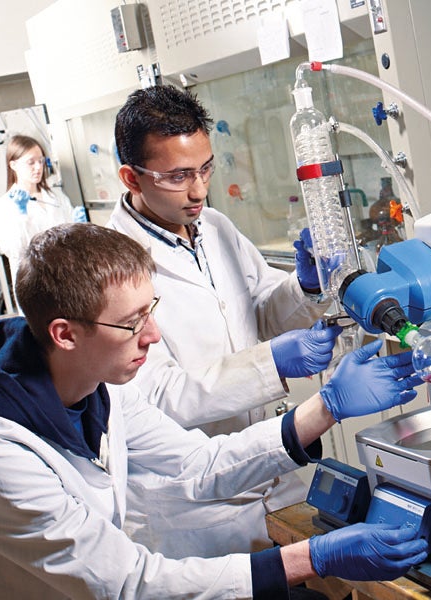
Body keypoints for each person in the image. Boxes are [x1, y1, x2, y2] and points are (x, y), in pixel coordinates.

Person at [0, 222, 429, 599]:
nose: (153, 335)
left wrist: (328, 406)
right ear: (64, 334)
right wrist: (312, 557)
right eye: (131, 323)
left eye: (151, 310)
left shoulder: (102, 390)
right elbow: (126, 583)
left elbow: (200, 466)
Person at [108, 84, 340, 557]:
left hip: (274, 473)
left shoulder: (215, 228)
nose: (198, 190)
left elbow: (260, 310)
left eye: (205, 168)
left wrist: (305, 287)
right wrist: (270, 364)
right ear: (131, 178)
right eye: (177, 176)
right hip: (197, 504)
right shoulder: (110, 266)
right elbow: (157, 396)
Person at [0, 134, 80, 285]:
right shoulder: (5, 205)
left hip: (66, 275)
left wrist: (80, 227)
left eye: (41, 161)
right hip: (34, 282)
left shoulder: (56, 196)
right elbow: (14, 251)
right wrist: (22, 216)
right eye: (31, 163)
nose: (38, 167)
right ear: (13, 165)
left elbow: (72, 238)